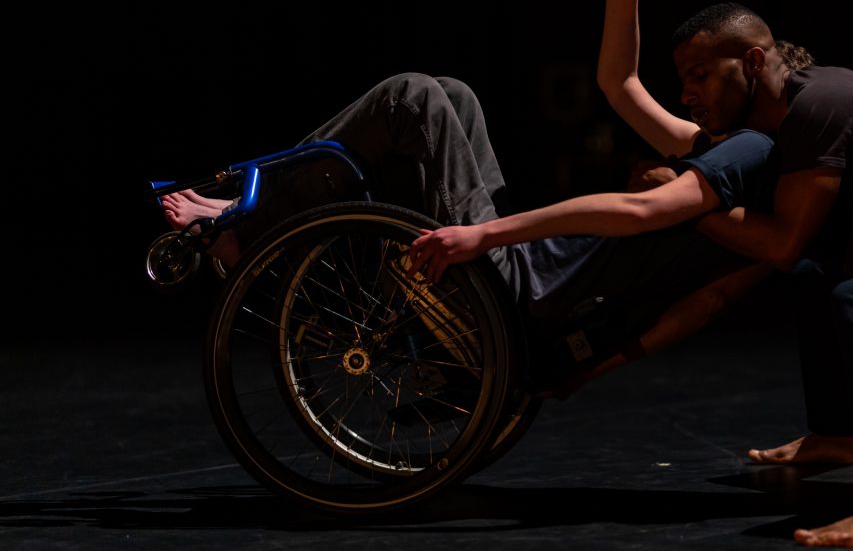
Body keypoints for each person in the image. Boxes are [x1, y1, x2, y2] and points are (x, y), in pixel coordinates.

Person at [421, 0, 853, 548]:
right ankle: (839, 434)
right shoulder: (746, 150)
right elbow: (620, 86)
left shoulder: (820, 104)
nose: (686, 94)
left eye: (699, 76)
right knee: (820, 279)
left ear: (752, 62)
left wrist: (681, 201)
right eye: (683, 79)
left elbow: (780, 241)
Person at [160, 71, 777, 397]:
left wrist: (487, 238)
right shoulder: (767, 227)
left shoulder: (743, 157)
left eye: (701, 76)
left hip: (519, 287)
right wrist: (588, 371)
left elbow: (640, 208)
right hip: (531, 288)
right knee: (454, 93)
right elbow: (707, 302)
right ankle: (257, 212)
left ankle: (247, 219)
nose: (691, 96)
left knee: (414, 98)